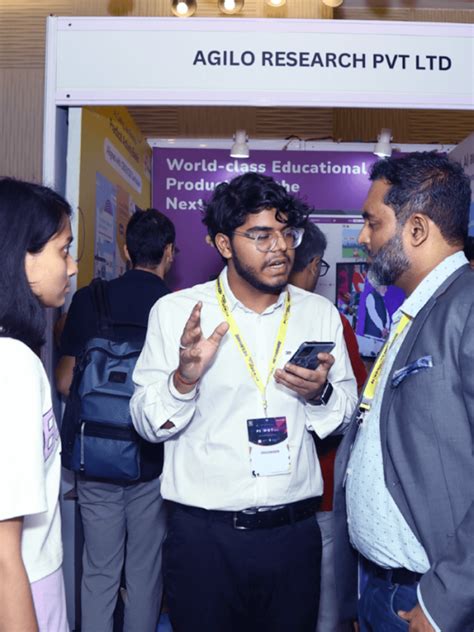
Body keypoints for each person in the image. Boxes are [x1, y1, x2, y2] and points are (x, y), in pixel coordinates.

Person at [131, 173, 358, 632]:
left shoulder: (318, 313)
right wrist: (183, 380)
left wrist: (319, 393)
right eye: (261, 235)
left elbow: (345, 412)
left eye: (286, 233)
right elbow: (146, 423)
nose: (280, 248)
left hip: (293, 537)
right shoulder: (176, 313)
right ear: (224, 244)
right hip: (205, 541)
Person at [334, 152, 474, 632]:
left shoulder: (467, 308)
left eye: (372, 222)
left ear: (416, 229)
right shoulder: (416, 309)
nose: (363, 237)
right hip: (382, 589)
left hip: (431, 600)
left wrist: (443, 605)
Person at [56, 208, 176, 632]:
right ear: (169, 253)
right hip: (152, 458)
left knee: (99, 570)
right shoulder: (177, 308)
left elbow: (66, 381)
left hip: (95, 455)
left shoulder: (89, 299)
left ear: (125, 250)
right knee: (145, 570)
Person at [0, 177, 77, 631]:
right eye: (63, 250)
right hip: (23, 586)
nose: (72, 267)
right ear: (20, 256)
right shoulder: (12, 364)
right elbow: (2, 550)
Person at [290, 221, 367, 632]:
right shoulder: (332, 321)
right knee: (323, 603)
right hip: (322, 487)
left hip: (260, 502)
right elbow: (357, 401)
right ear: (314, 263)